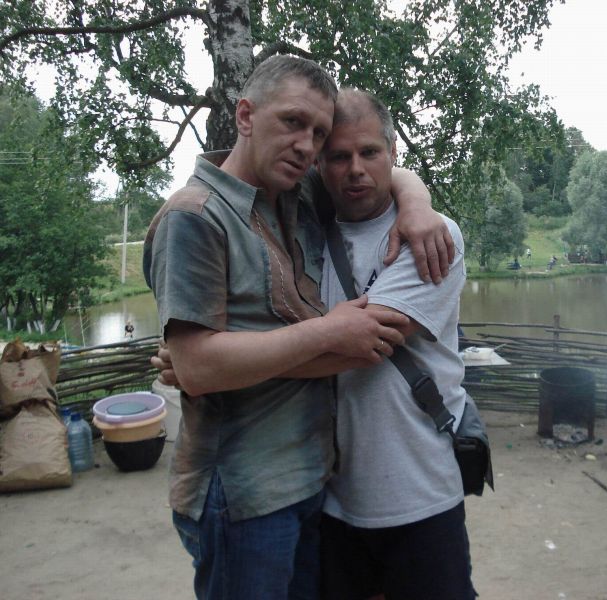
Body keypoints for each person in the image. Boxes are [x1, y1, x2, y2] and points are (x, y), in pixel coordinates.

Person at [144, 55, 452, 600]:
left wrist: (418, 204)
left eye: (318, 133)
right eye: (292, 122)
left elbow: (375, 163)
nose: (307, 146)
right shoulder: (195, 216)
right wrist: (326, 331)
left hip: (310, 482)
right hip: (244, 494)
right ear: (245, 116)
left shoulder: (295, 196)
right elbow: (197, 368)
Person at [315, 89, 474, 599]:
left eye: (369, 152)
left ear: (393, 153)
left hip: (421, 495)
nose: (355, 169)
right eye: (338, 156)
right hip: (332, 500)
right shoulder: (304, 237)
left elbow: (361, 344)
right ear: (319, 163)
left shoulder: (433, 238)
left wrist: (223, 362)